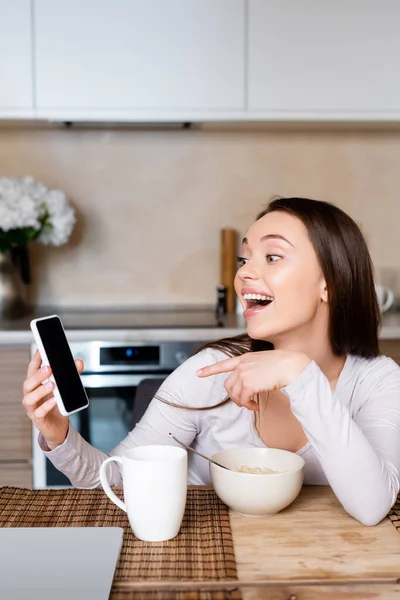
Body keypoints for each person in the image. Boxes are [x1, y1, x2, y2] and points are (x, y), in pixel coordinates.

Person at [22, 197, 400, 526]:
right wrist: (59, 435)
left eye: (272, 257)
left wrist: (300, 375)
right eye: (245, 257)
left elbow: (371, 507)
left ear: (330, 284)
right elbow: (117, 481)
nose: (245, 273)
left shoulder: (377, 381)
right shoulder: (210, 371)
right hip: (202, 556)